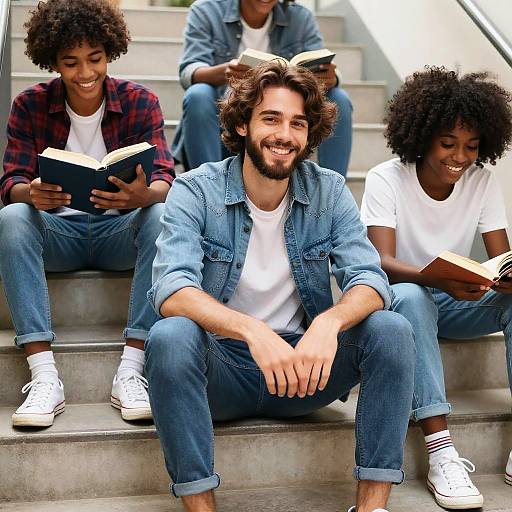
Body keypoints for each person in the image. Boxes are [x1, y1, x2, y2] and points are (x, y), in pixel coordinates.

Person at [146, 61, 414, 512]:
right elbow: (171, 289)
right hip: (223, 370)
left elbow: (369, 278)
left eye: (298, 123)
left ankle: (372, 507)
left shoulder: (328, 191)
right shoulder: (195, 190)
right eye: (270, 118)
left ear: (310, 135)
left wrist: (329, 323)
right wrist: (254, 331)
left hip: (303, 369)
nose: (284, 135)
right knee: (170, 336)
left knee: (391, 328)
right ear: (241, 123)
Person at [0, 0, 174, 427]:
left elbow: (166, 178)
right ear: (52, 61)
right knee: (12, 219)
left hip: (120, 233)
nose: (84, 73)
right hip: (59, 233)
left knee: (163, 216)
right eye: (70, 62)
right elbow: (9, 183)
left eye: (94, 59)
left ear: (109, 52)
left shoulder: (140, 102)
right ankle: (44, 378)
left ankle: (131, 371)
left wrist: (141, 196)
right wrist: (32, 193)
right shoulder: (30, 105)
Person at [360, 66, 512, 509]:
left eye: (471, 146)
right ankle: (441, 451)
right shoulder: (386, 178)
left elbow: (501, 256)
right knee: (410, 295)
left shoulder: (483, 181)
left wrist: (501, 277)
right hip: (404, 302)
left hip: (458, 301)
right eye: (448, 143)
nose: (460, 157)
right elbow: (381, 264)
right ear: (422, 136)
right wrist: (434, 277)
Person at [171, 0, 352, 176]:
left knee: (339, 98)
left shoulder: (300, 17)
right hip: (222, 121)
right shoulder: (206, 10)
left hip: (281, 116)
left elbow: (319, 60)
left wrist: (333, 78)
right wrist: (226, 72)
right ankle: (207, 187)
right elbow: (189, 72)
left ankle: (334, 193)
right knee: (198, 94)